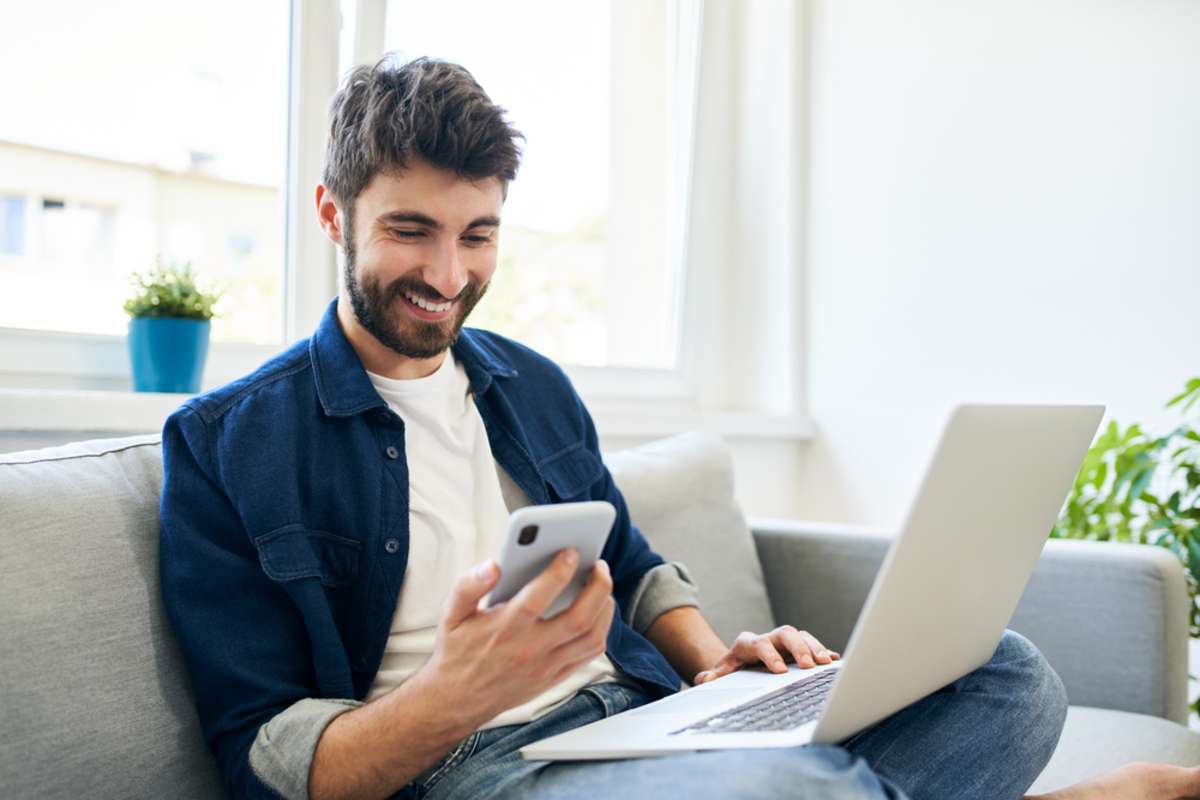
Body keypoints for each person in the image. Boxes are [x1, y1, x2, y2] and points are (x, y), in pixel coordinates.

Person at [159, 56, 1198, 800]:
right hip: (472, 767)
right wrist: (451, 694)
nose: (446, 276)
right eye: (409, 231)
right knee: (796, 785)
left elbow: (630, 555)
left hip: (641, 722)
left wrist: (714, 662)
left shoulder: (528, 382)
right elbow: (268, 761)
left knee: (1006, 673)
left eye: (477, 235)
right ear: (333, 213)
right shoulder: (227, 443)